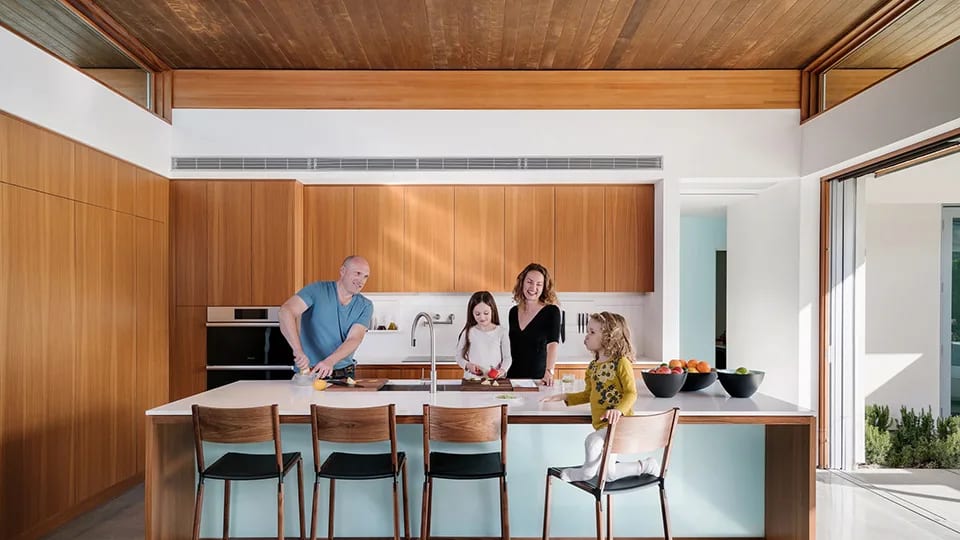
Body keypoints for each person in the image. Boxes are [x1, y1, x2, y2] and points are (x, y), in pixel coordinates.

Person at [541, 312, 658, 482]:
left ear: (609, 337)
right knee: (608, 474)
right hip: (603, 425)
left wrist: (618, 410)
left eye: (592, 332)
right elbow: (589, 394)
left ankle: (585, 473)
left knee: (592, 442)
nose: (586, 336)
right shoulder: (593, 367)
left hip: (619, 423)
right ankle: (646, 466)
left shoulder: (621, 363)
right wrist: (564, 396)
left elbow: (631, 393)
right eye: (587, 331)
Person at [279, 255, 373, 379]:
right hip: (309, 373)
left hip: (344, 374)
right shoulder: (317, 290)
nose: (361, 281)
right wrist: (298, 350)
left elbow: (354, 338)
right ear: (342, 271)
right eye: (357, 273)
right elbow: (286, 311)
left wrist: (330, 361)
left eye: (365, 276)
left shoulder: (365, 305)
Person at [506, 263, 561, 385]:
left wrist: (549, 371)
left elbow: (553, 345)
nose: (533, 287)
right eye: (529, 282)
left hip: (538, 379)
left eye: (539, 284)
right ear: (522, 283)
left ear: (544, 288)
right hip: (513, 378)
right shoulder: (513, 312)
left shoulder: (552, 311)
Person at [455, 291, 512, 379]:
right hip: (472, 379)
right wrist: (468, 365)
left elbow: (507, 357)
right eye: (477, 314)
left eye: (486, 313)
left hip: (495, 380)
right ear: (472, 313)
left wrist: (502, 370)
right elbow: (458, 356)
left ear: (492, 311)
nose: (482, 317)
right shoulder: (468, 332)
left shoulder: (501, 332)